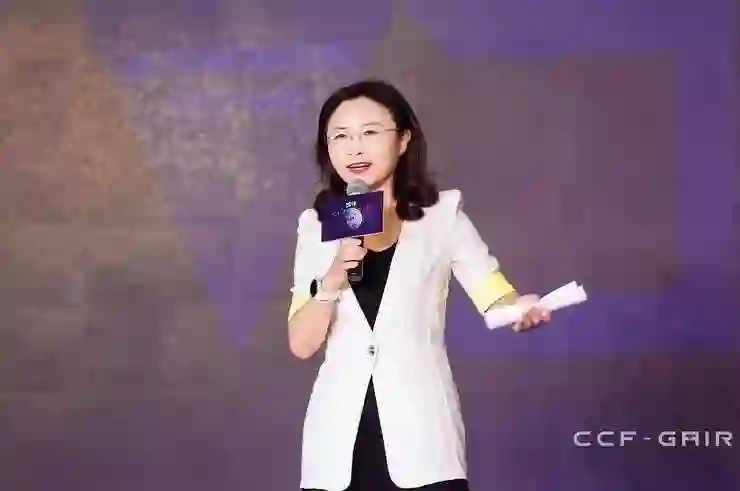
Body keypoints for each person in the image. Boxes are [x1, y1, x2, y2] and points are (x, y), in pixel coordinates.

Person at [287, 79, 552, 491]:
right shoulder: (317, 226)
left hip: (424, 438)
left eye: (370, 132)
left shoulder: (441, 217)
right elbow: (302, 344)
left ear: (403, 140)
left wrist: (518, 308)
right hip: (337, 444)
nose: (354, 148)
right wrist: (332, 279)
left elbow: (492, 291)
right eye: (340, 136)